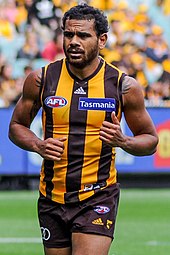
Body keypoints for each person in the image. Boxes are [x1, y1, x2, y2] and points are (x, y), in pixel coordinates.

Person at [8, 4, 158, 255]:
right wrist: (37, 145)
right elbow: (15, 127)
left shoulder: (123, 86)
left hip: (98, 196)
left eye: (83, 36)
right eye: (68, 35)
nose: (74, 42)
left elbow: (151, 141)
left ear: (102, 40)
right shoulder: (41, 79)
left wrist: (123, 141)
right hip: (52, 197)